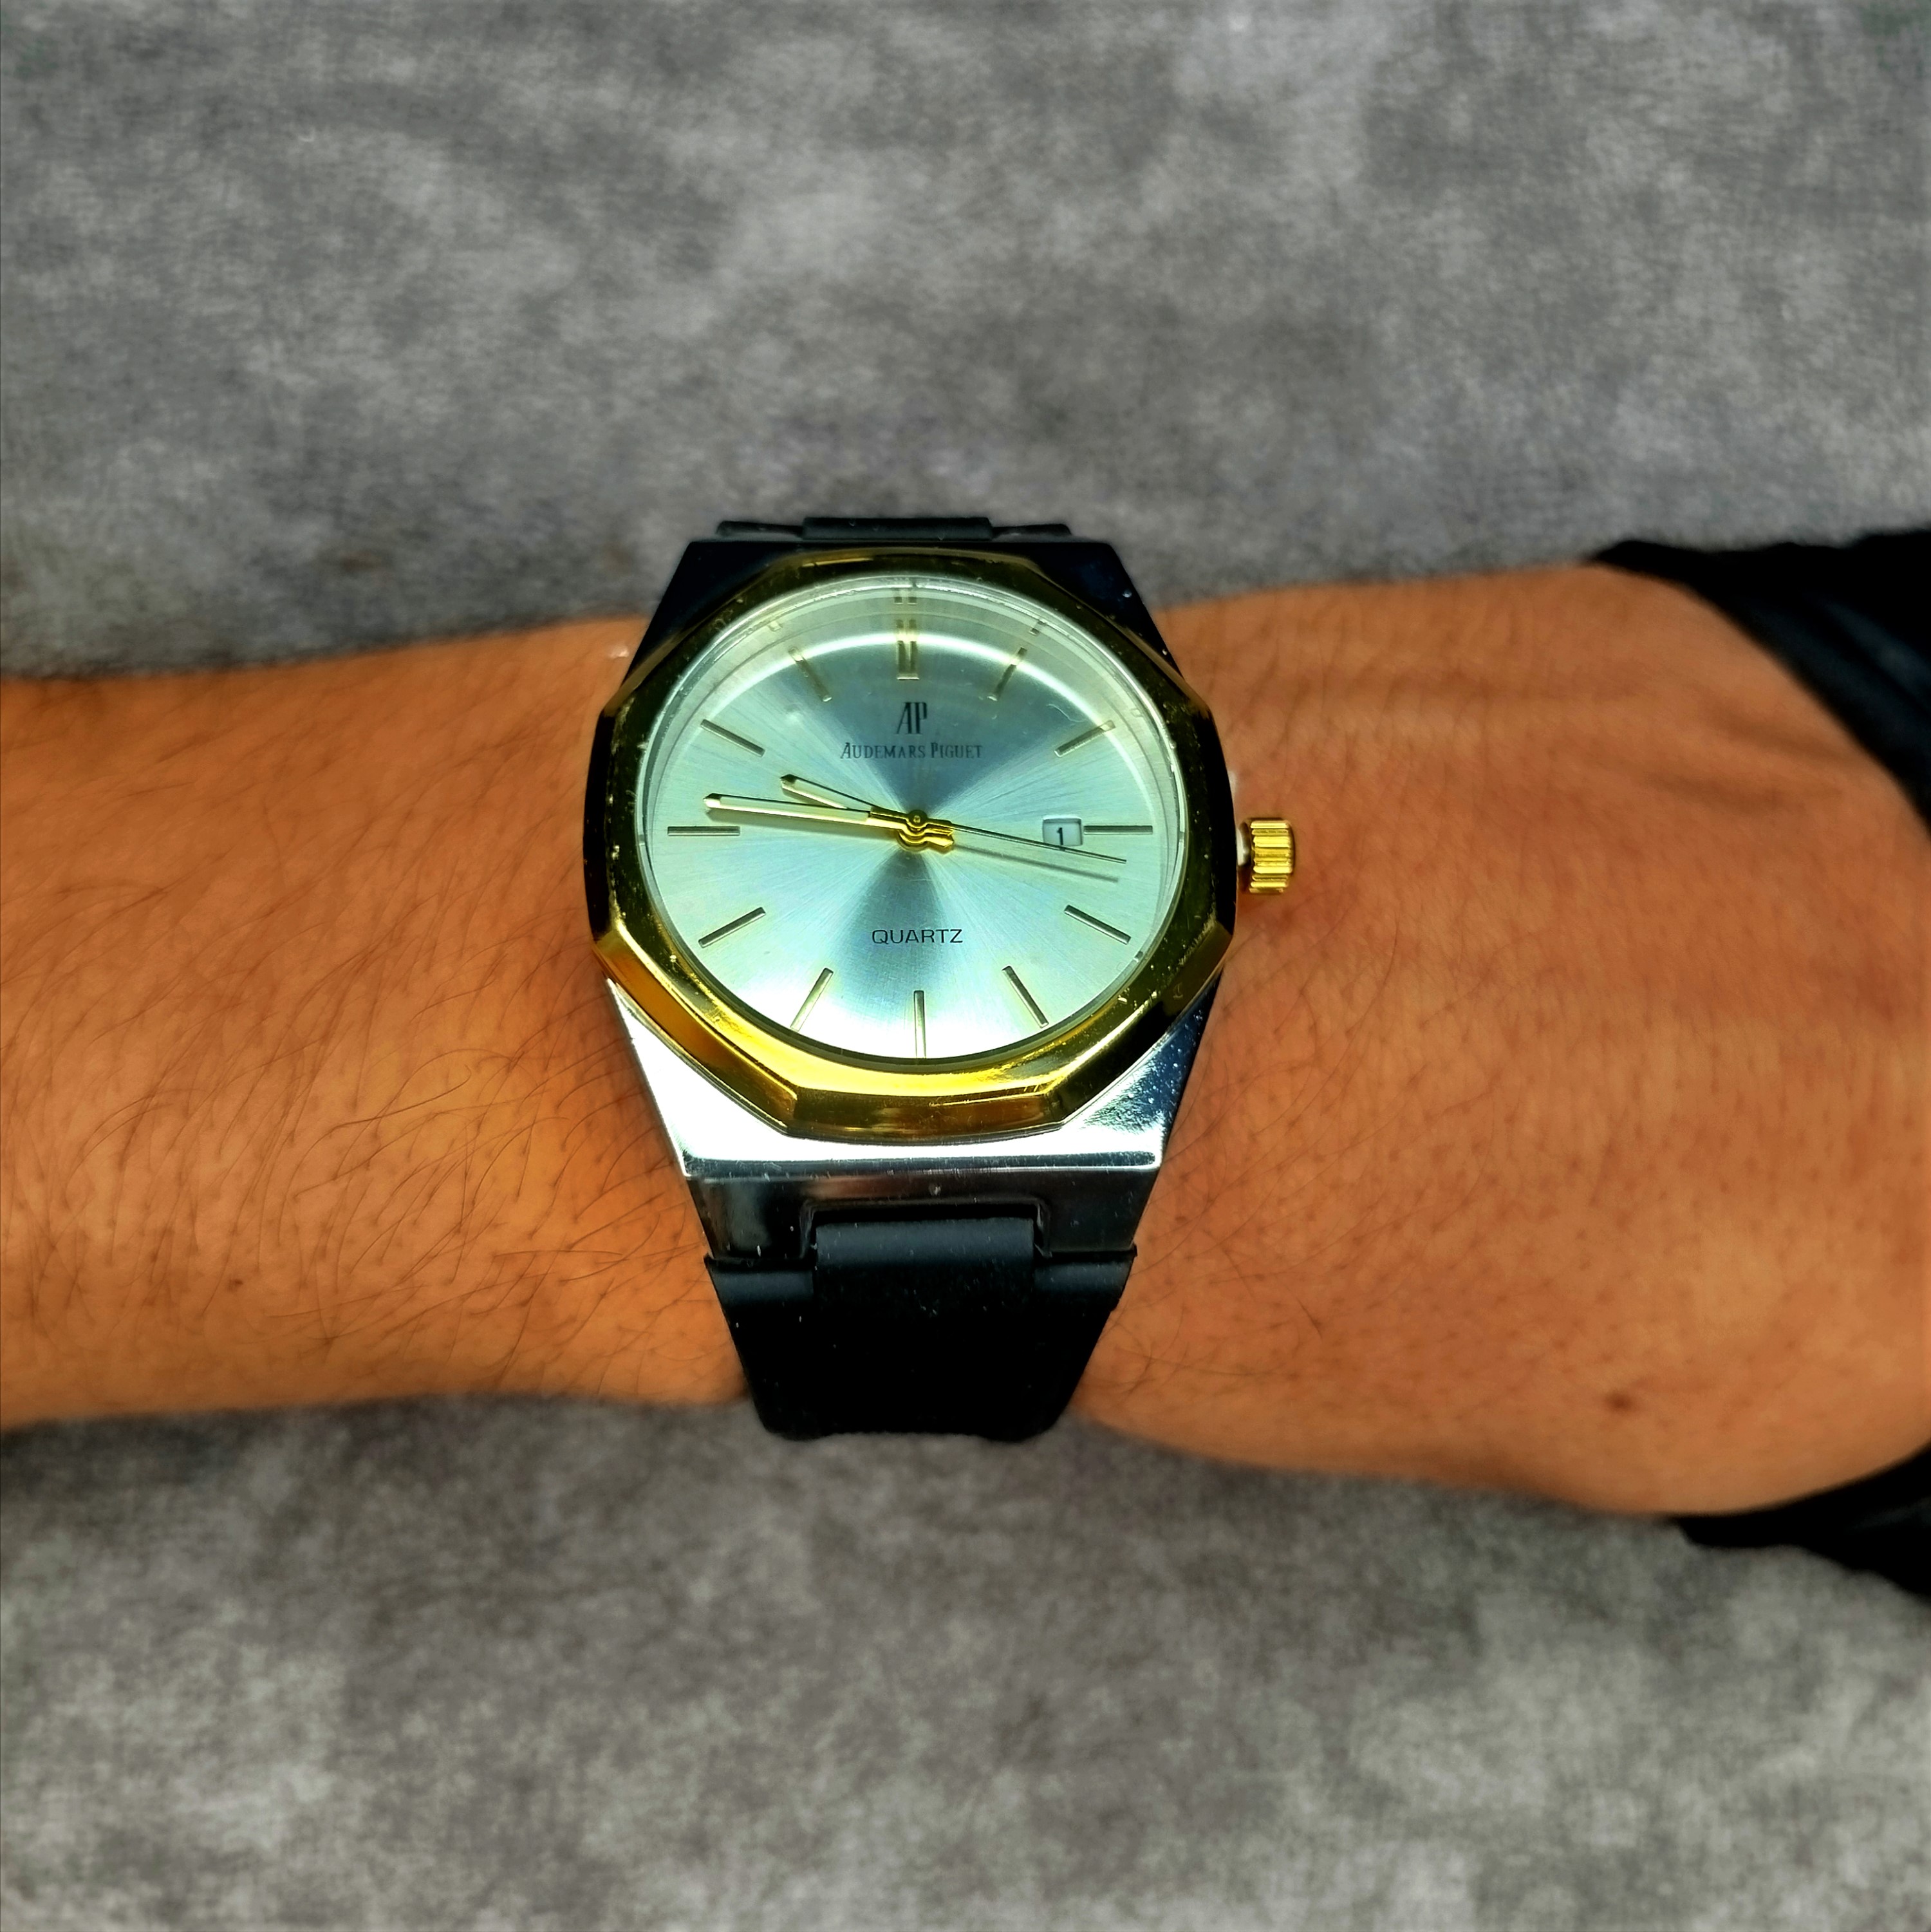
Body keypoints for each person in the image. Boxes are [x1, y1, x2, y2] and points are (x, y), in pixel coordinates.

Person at [3, 532, 1924, 1590]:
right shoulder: (637, 882)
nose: (919, 836)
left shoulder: (1188, 882)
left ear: (1241, 864)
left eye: (938, 820)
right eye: (902, 819)